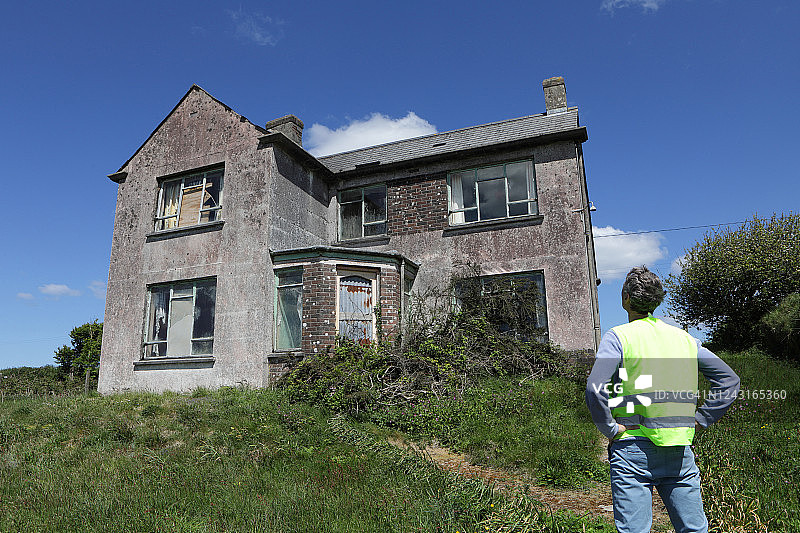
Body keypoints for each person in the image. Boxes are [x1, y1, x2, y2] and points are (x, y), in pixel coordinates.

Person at [586, 266, 740, 533]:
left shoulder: (619, 337)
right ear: (657, 300)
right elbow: (729, 380)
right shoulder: (685, 339)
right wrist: (701, 420)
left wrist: (610, 429)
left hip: (632, 447)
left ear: (626, 298)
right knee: (694, 529)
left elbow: (594, 387)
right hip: (679, 448)